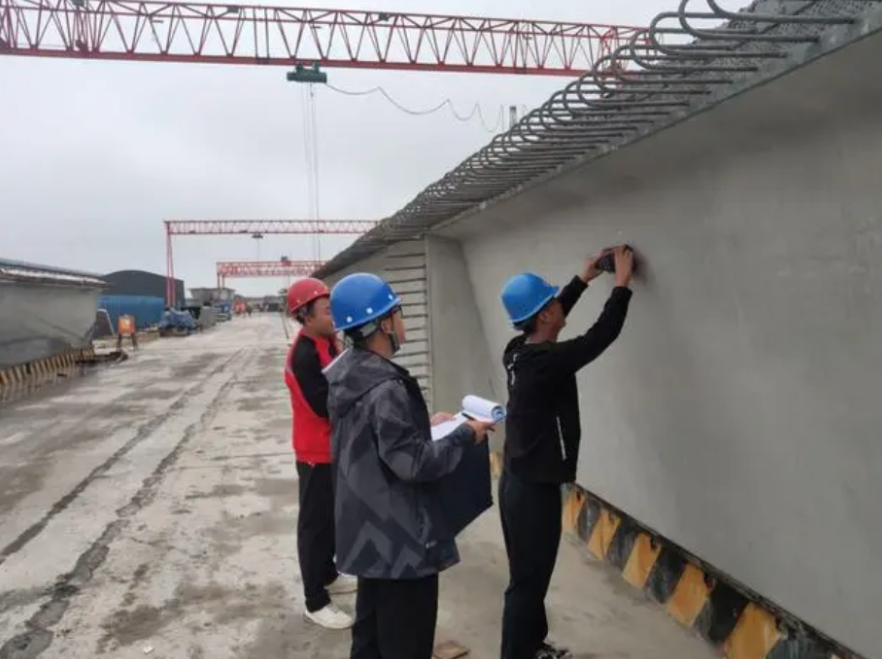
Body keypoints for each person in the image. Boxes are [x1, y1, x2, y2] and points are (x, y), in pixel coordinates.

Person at [324, 272, 495, 659]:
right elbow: (415, 464)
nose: (402, 321)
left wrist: (424, 427)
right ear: (383, 324)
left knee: (370, 638)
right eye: (397, 313)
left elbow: (375, 442)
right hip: (401, 544)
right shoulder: (387, 388)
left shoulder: (348, 374)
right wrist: (464, 434)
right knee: (406, 643)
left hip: (368, 531)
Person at [497, 246, 635, 659]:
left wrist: (583, 279)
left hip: (519, 481)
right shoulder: (546, 361)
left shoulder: (519, 350)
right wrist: (622, 284)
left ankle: (532, 646)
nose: (559, 304)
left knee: (532, 576)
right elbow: (599, 337)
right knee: (527, 582)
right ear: (543, 315)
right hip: (531, 490)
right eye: (553, 301)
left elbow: (553, 320)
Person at [284, 277, 357, 630]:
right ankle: (315, 600)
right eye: (328, 311)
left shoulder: (329, 341)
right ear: (306, 316)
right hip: (316, 451)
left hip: (336, 446)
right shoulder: (303, 355)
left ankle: (329, 574)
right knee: (314, 526)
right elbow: (322, 405)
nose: (334, 316)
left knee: (331, 518)